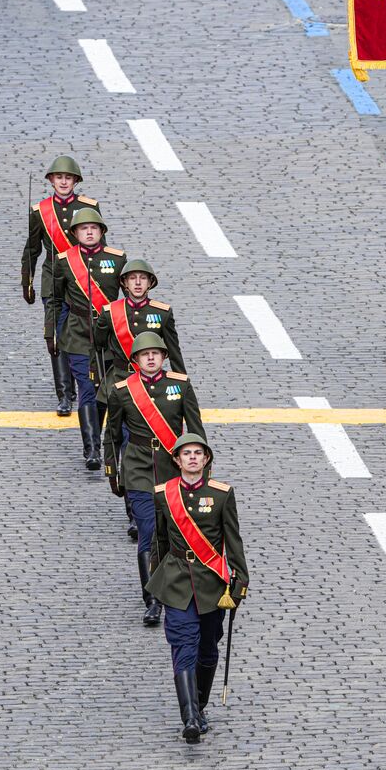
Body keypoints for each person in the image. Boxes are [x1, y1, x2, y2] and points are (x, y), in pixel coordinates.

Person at [147, 434, 248, 744]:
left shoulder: (221, 494)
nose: (192, 458)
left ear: (206, 460)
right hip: (177, 580)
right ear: (176, 460)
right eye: (186, 453)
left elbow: (233, 539)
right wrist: (156, 582)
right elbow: (160, 541)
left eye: (197, 453)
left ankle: (200, 706)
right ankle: (189, 716)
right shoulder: (164, 494)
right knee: (183, 646)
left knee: (207, 648)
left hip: (211, 583)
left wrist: (240, 580)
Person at [104, 332, 206, 626]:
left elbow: (197, 431)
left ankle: (177, 589)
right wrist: (113, 470)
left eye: (156, 353)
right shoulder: (123, 391)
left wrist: (202, 473)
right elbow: (112, 435)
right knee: (148, 532)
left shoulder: (181, 386)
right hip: (138, 469)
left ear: (164, 358)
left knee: (175, 534)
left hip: (174, 470)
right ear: (135, 361)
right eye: (144, 354)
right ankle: (152, 600)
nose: (150, 358)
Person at [94, 258, 185, 542]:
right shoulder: (112, 313)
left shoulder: (162, 313)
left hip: (159, 391)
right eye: (131, 278)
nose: (137, 283)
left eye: (142, 278)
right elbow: (98, 346)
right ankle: (134, 511)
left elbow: (174, 350)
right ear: (123, 283)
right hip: (126, 388)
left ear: (150, 283)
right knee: (127, 447)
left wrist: (181, 383)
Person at [21, 154, 100, 416]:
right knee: (55, 336)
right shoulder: (40, 211)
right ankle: (65, 394)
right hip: (53, 279)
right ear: (51, 180)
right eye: (59, 177)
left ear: (75, 180)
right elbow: (32, 249)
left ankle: (87, 384)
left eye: (68, 177)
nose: (63, 182)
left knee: (81, 335)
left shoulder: (89, 207)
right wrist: (28, 281)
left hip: (80, 279)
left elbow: (99, 244)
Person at [45, 207, 124, 469]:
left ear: (101, 232)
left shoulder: (118, 260)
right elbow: (56, 301)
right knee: (87, 390)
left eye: (94, 228)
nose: (89, 232)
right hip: (77, 334)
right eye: (83, 228)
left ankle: (103, 442)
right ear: (75, 233)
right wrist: (52, 333)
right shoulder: (64, 261)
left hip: (110, 335)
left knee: (107, 392)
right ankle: (91, 449)